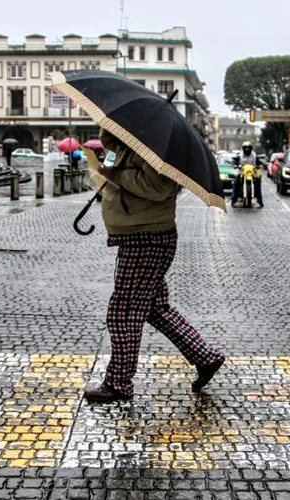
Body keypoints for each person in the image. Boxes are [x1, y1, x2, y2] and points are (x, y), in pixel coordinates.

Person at [83, 129, 226, 403]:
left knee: (123, 311)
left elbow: (156, 187)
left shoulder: (158, 150)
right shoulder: (133, 140)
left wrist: (117, 175)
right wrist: (110, 129)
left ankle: (118, 383)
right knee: (154, 308)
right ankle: (205, 357)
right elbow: (112, 148)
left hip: (145, 237)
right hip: (140, 234)